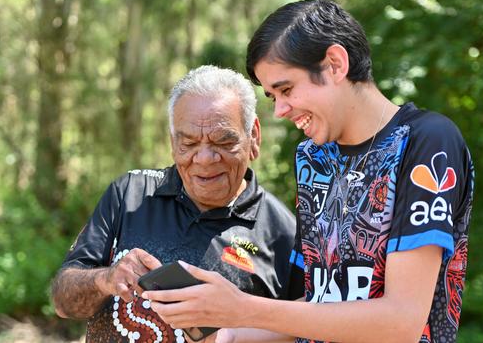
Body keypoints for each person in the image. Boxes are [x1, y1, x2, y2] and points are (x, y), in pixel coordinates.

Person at [143, 0, 475, 343]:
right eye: (273, 97)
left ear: (335, 63)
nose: (280, 111)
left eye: (286, 89)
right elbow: (320, 303)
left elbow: (402, 321)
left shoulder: (427, 141)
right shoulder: (312, 157)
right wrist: (222, 333)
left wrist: (242, 307)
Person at [51, 65, 298, 343]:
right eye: (189, 143)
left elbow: (309, 328)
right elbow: (63, 302)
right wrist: (106, 279)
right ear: (172, 141)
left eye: (222, 141)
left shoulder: (284, 231)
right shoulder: (130, 194)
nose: (204, 158)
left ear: (253, 136)